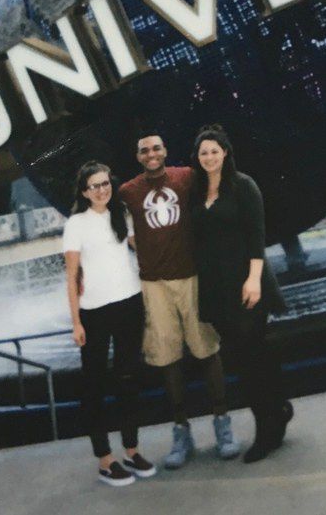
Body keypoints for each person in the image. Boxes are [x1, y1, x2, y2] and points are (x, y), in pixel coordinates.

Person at [119, 132, 241, 468]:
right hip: (154, 285)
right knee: (167, 357)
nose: (151, 154)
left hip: (191, 277)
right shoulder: (128, 191)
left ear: (165, 150)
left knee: (207, 349)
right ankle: (180, 430)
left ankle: (222, 424)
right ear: (138, 156)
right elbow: (106, 217)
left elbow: (217, 189)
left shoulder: (186, 177)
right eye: (144, 150)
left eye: (156, 148)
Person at [189, 125, 292, 463]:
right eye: (203, 152)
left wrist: (253, 280)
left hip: (247, 282)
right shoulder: (196, 191)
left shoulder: (243, 185)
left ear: (225, 153)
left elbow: (256, 234)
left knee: (252, 359)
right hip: (216, 288)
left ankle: (267, 429)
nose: (209, 157)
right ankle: (278, 409)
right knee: (243, 357)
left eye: (214, 151)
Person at [64, 161, 156, 487]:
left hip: (130, 304)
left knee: (128, 379)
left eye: (105, 184)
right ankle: (105, 459)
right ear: (84, 192)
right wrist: (76, 322)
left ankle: (132, 450)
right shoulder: (76, 224)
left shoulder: (121, 215)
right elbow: (71, 276)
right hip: (95, 312)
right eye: (94, 186)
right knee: (95, 384)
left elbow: (142, 247)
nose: (101, 190)